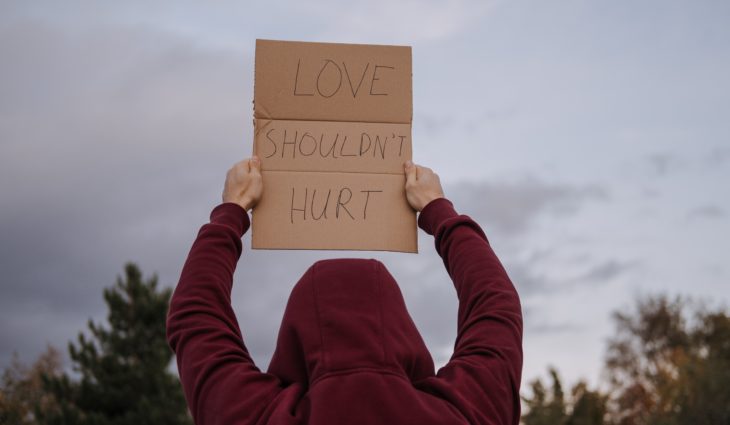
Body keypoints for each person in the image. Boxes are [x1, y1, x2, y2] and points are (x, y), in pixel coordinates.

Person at [167, 156, 523, 425]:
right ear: (401, 329)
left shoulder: (254, 415)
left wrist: (231, 211)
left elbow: (196, 318)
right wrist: (439, 211)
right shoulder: (465, 413)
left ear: (295, 338)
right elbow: (496, 307)